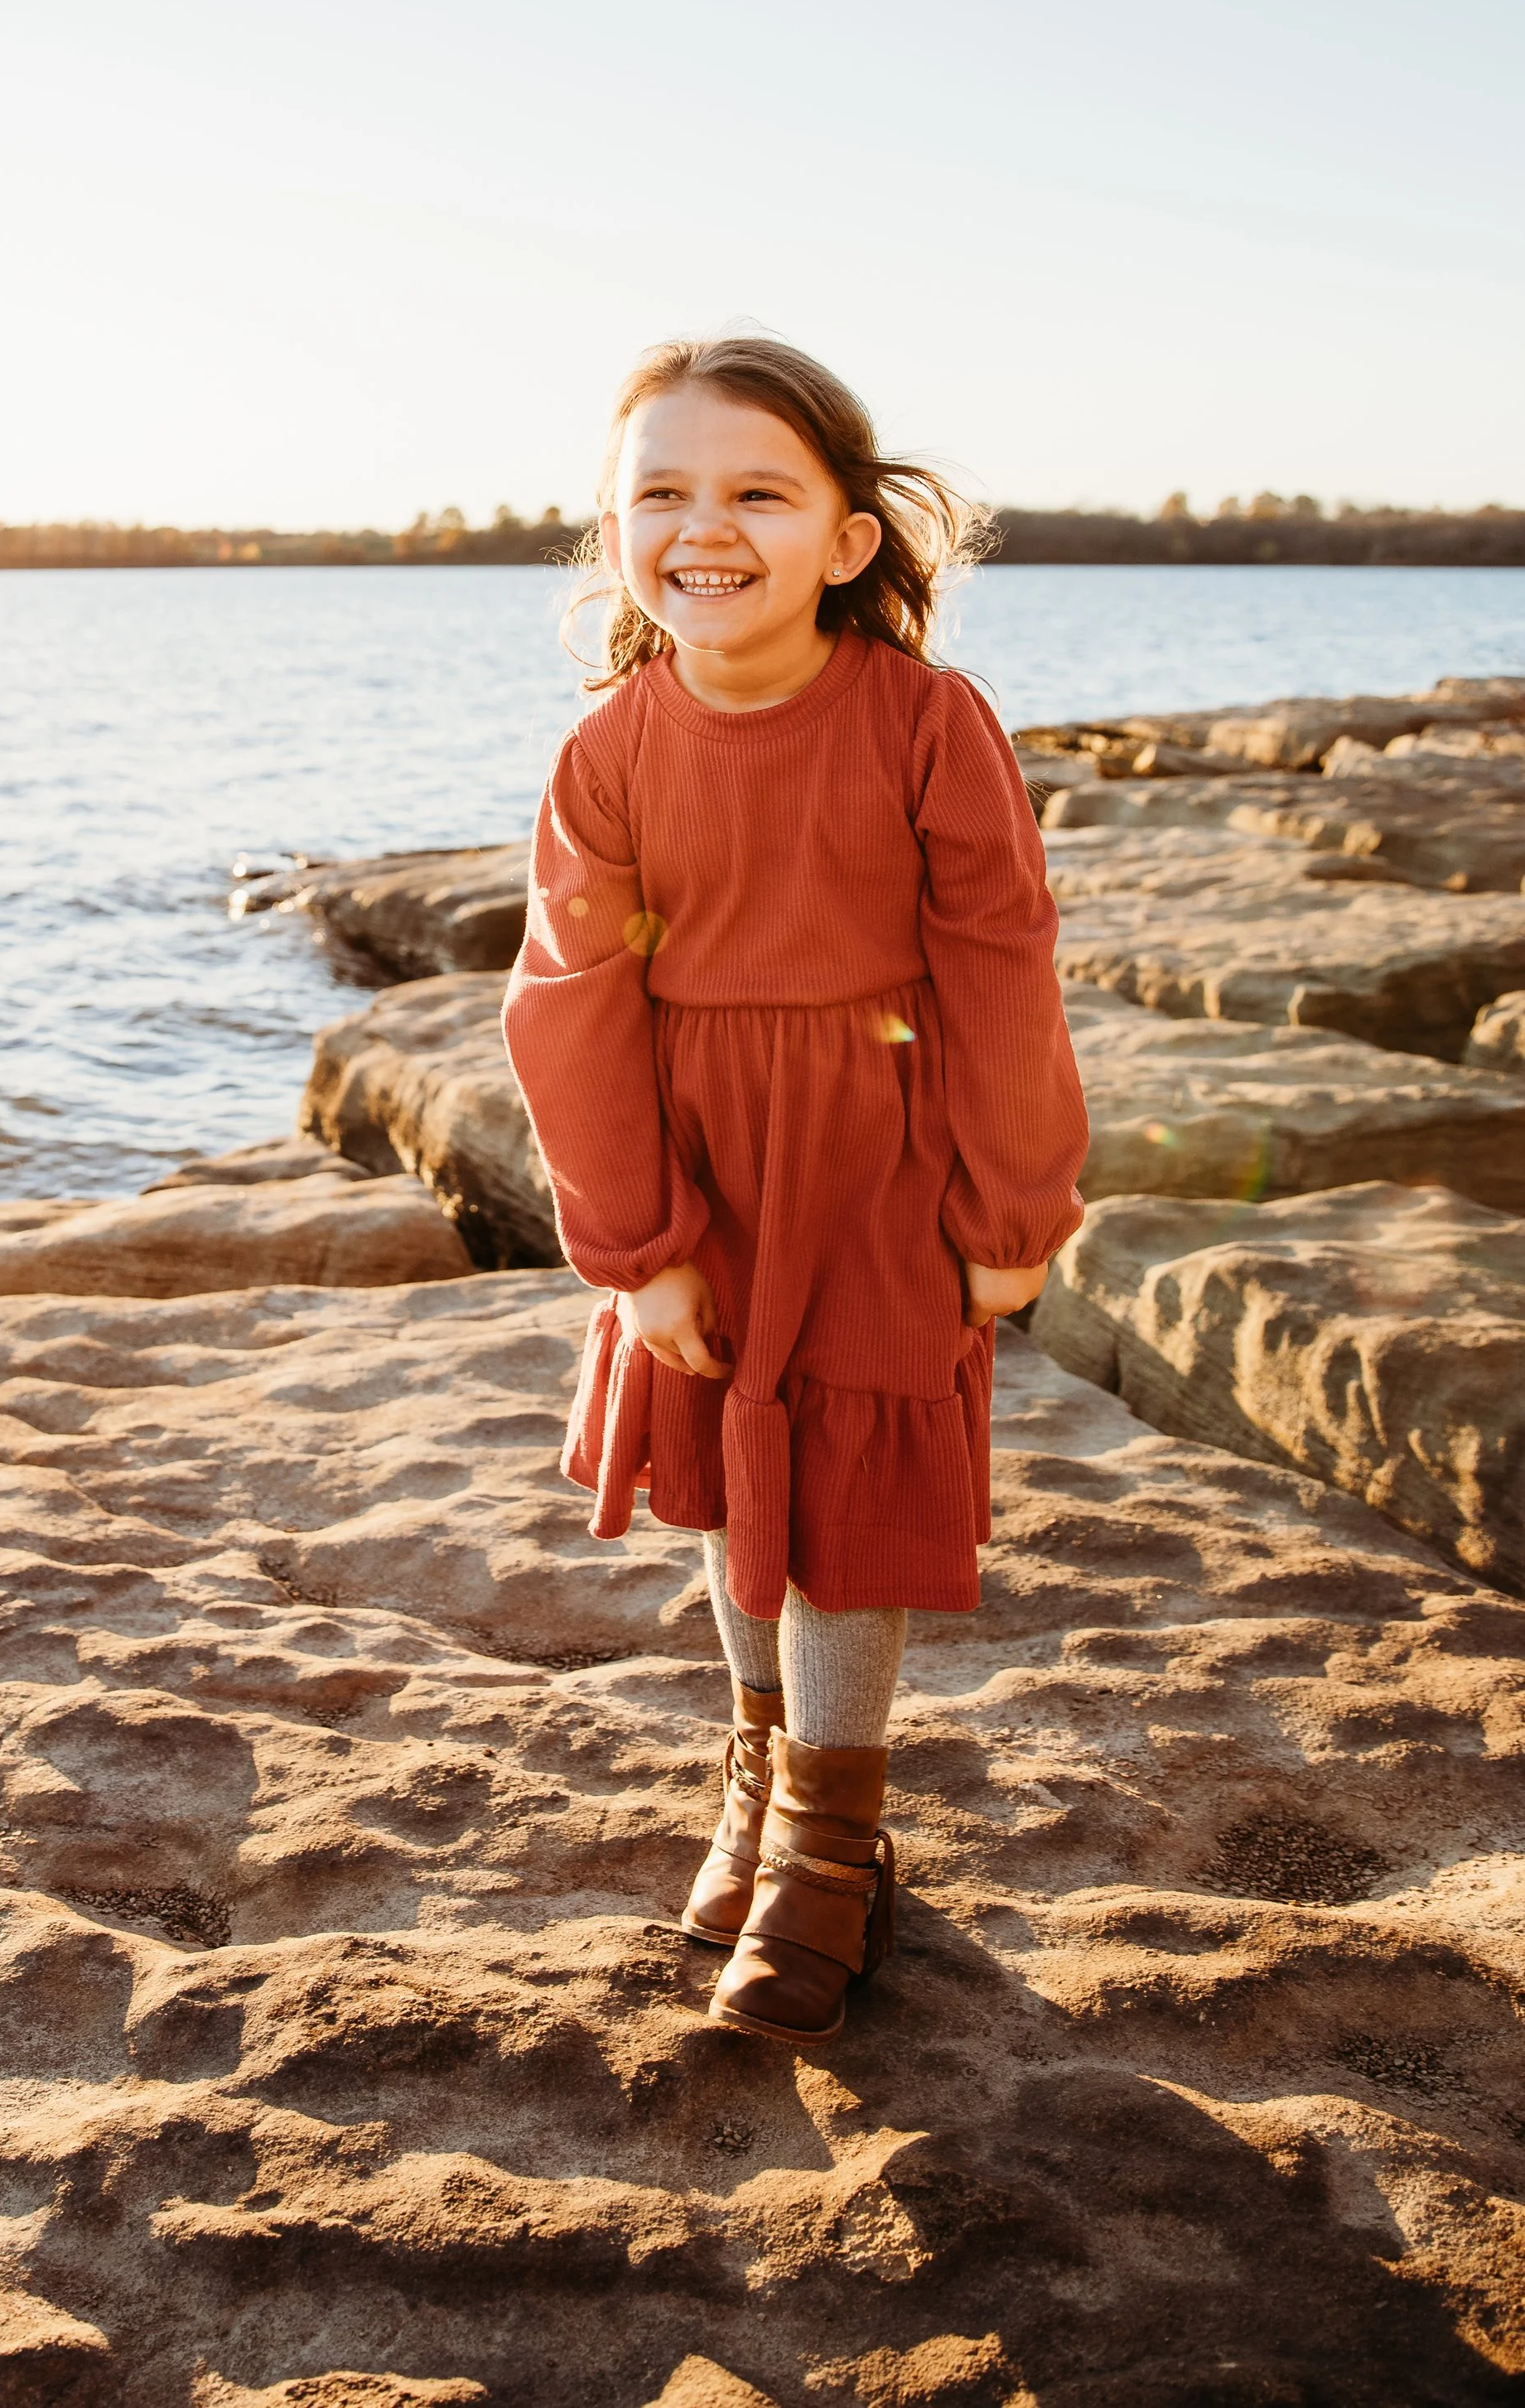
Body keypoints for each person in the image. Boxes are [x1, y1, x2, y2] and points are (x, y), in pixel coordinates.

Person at [502, 331, 1087, 2050]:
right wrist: (638, 1249)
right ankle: (756, 1791)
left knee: (839, 1493)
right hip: (697, 1174)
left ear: (844, 537)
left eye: (756, 489)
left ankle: (834, 1842)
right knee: (726, 1473)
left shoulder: (922, 722)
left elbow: (999, 967)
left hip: (872, 1170)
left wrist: (1004, 1219)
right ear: (611, 532)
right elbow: (566, 1001)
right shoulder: (606, 749)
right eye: (660, 491)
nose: (704, 524)